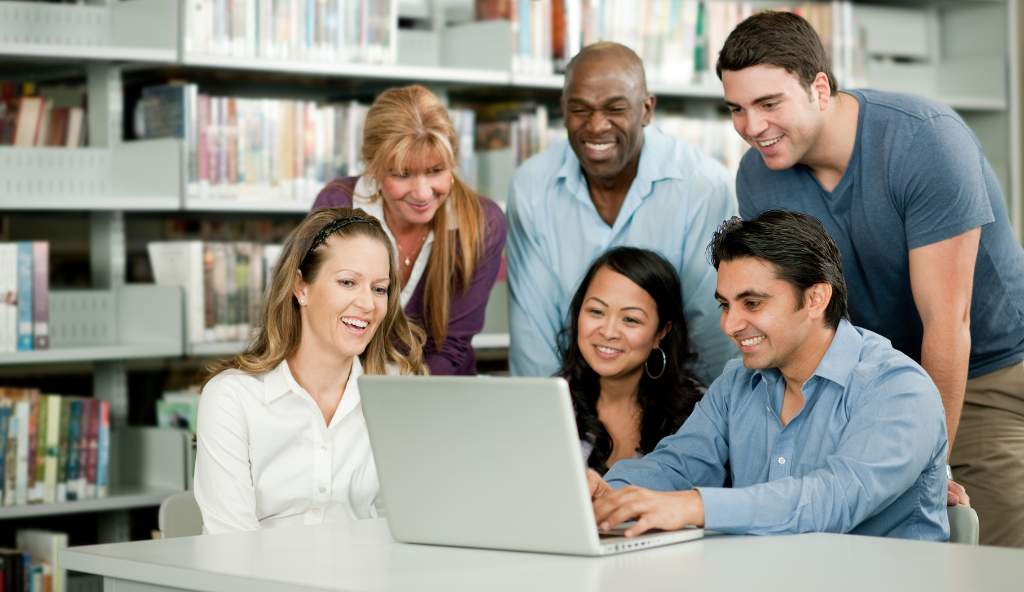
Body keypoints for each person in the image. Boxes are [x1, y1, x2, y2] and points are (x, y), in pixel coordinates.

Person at [717, 11, 1023, 546]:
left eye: (769, 104)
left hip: (984, 371)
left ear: (819, 88)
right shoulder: (757, 175)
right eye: (737, 109)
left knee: (978, 549)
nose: (752, 127)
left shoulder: (925, 142)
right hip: (877, 374)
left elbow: (947, 322)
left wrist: (931, 463)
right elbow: (811, 317)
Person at [588, 211, 949, 540]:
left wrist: (696, 506)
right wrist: (611, 493)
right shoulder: (737, 381)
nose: (730, 325)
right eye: (725, 305)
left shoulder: (898, 389)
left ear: (815, 299)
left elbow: (832, 499)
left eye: (752, 303)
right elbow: (679, 464)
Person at [506, 42, 736, 386]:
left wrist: (707, 425)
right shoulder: (532, 186)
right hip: (571, 403)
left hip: (677, 399)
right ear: (563, 109)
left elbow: (711, 328)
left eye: (615, 109)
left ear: (646, 110)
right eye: (580, 109)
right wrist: (548, 422)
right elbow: (533, 334)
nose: (596, 126)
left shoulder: (703, 186)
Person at [194, 207, 427, 534]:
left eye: (379, 288)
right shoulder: (232, 398)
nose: (368, 304)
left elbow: (407, 525)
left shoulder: (398, 390)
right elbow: (231, 549)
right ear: (300, 287)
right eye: (348, 282)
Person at [314, 85, 507, 375]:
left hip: (437, 391)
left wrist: (409, 403)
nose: (422, 193)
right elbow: (320, 324)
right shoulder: (338, 204)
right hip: (346, 387)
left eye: (435, 171)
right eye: (403, 174)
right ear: (374, 169)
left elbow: (453, 345)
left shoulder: (483, 223)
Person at [558, 246, 704, 474]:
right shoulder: (548, 406)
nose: (608, 332)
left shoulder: (702, 413)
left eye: (630, 319)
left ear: (661, 332)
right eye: (596, 311)